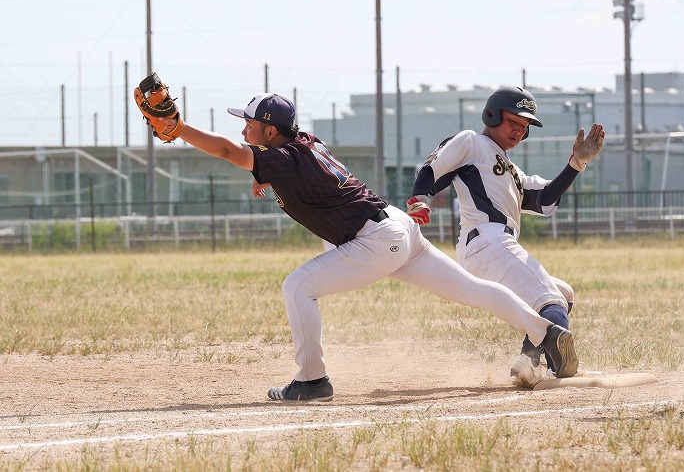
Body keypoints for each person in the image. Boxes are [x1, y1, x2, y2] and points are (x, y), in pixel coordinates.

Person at [142, 85, 578, 401]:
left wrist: (179, 128)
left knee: (298, 287)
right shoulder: (303, 144)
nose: (244, 129)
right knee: (470, 289)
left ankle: (311, 380)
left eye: (250, 124)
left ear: (271, 131)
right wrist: (265, 179)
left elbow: (225, 151)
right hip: (398, 228)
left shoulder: (283, 158)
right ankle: (545, 332)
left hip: (375, 240)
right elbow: (295, 172)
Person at [407, 86, 603, 384]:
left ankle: (529, 362)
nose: (518, 130)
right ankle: (559, 370)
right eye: (513, 121)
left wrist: (575, 164)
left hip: (493, 244)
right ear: (492, 115)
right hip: (488, 241)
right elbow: (433, 166)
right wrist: (419, 197)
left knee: (563, 294)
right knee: (550, 300)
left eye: (524, 126)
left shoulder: (509, 168)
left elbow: (544, 198)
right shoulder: (472, 142)